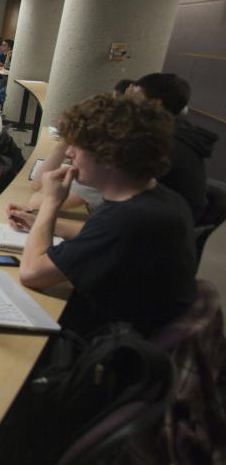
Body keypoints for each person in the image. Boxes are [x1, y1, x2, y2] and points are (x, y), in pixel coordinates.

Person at [15, 93, 197, 336]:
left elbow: (32, 273)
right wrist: (41, 223)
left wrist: (50, 202)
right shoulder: (159, 199)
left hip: (107, 350)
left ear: (109, 156)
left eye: (77, 146)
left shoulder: (130, 218)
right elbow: (94, 234)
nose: (69, 153)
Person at [133, 73, 218, 221]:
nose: (129, 105)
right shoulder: (174, 131)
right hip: (165, 214)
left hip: (165, 223)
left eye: (135, 99)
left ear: (156, 104)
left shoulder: (163, 141)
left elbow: (124, 184)